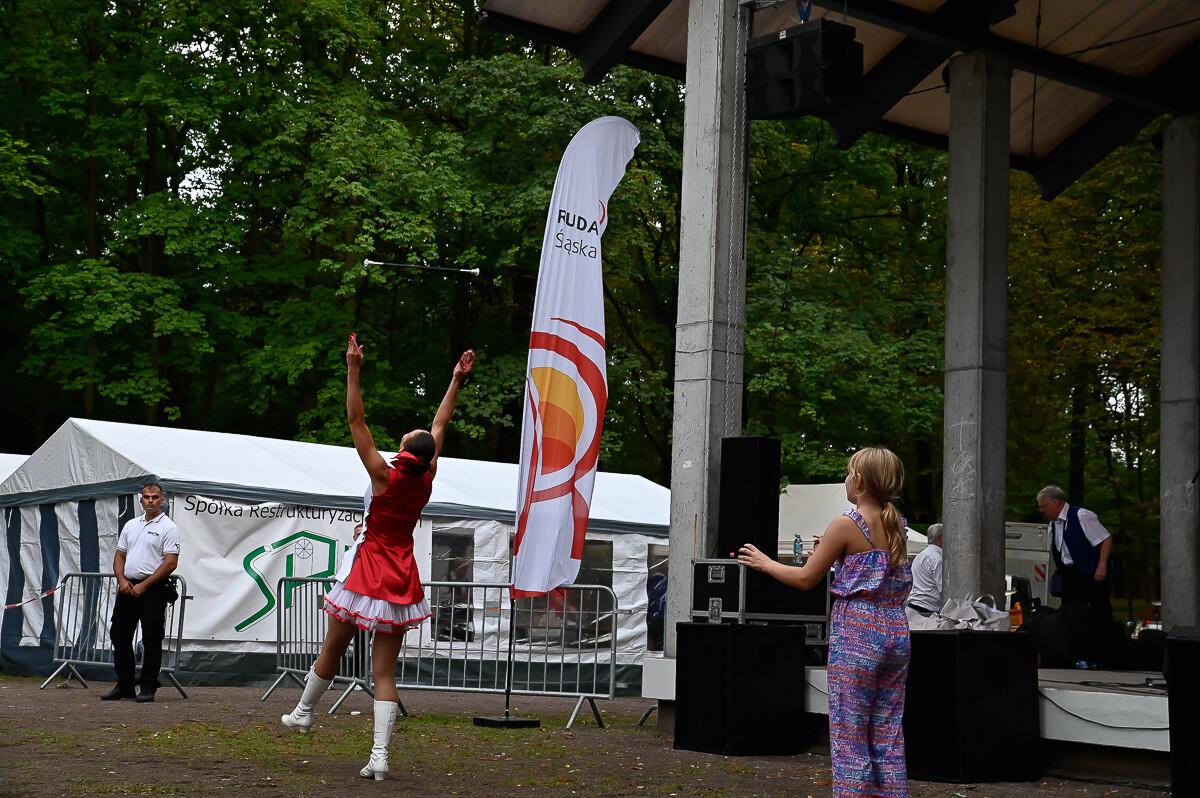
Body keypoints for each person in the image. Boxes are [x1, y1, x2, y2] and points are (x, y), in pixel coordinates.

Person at [281, 333, 474, 782]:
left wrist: (353, 369)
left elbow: (356, 418)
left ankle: (305, 712)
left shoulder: (383, 475)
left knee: (333, 646)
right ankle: (380, 756)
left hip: (367, 569)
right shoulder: (426, 477)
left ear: (405, 448)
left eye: (405, 436)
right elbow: (440, 423)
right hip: (402, 574)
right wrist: (456, 380)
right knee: (384, 671)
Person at [739, 447, 911, 798]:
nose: (846, 479)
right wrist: (835, 552)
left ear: (859, 481)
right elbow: (875, 570)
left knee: (851, 732)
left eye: (849, 473)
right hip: (895, 631)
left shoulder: (846, 524)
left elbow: (805, 579)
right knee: (887, 729)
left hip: (859, 632)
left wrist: (765, 563)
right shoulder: (898, 526)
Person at [103, 483, 181, 703]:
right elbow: (120, 555)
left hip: (153, 588)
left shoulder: (169, 527)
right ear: (141, 500)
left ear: (162, 500)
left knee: (151, 638)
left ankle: (148, 686)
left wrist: (145, 585)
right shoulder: (131, 525)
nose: (150, 500)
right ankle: (125, 685)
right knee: (119, 634)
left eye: (155, 497)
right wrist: (122, 580)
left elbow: (171, 563)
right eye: (147, 497)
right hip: (128, 586)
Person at [1037, 485, 1112, 616]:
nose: (1042, 510)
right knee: (1070, 613)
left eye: (1043, 506)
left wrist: (1102, 566)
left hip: (1091, 573)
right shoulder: (1053, 525)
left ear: (1055, 502)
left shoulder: (1081, 515)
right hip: (1069, 575)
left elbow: (1106, 539)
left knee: (1100, 611)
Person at [907, 522, 943, 616]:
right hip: (928, 609)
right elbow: (944, 588)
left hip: (913, 606)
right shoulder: (937, 559)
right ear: (938, 538)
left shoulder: (920, 556)